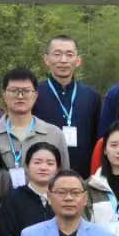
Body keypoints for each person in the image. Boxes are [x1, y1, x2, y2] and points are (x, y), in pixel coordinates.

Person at [34, 34, 102, 172]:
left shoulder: (91, 96)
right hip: (45, 173)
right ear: (46, 59)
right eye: (57, 54)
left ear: (78, 60)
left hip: (84, 175)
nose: (63, 60)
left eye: (69, 55)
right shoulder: (35, 94)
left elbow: (98, 139)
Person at [0, 66, 69, 182]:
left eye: (26, 91)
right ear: (4, 95)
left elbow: (64, 178)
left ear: (35, 95)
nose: (20, 96)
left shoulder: (54, 134)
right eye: (14, 91)